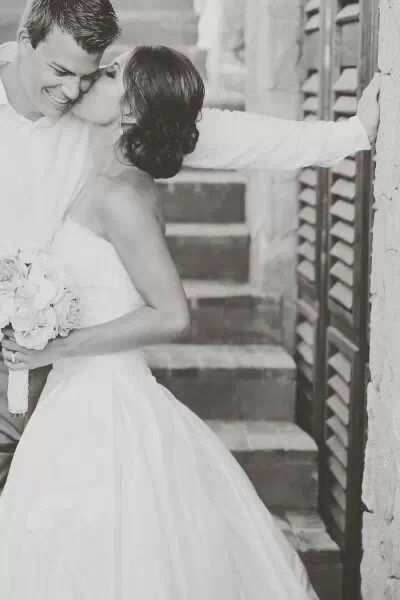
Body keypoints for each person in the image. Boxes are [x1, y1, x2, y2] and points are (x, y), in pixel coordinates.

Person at [0, 0, 379, 494]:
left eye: (89, 74)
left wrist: (350, 133)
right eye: (59, 72)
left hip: (59, 372)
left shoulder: (98, 111)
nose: (73, 90)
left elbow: (231, 135)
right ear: (24, 43)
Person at [0, 45, 321, 600]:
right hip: (74, 395)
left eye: (109, 74)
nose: (89, 81)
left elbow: (173, 314)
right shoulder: (108, 174)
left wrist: (58, 347)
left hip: (102, 404)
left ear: (129, 109)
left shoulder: (122, 195)